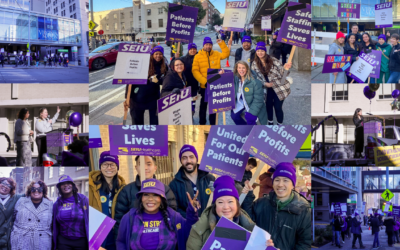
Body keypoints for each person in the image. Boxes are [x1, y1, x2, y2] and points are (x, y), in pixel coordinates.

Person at [187, 175, 277, 250]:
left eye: (230, 202)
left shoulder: (251, 231)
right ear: (215, 206)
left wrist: (265, 247)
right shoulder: (199, 230)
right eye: (220, 202)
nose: (226, 207)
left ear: (237, 204)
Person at [241, 162, 311, 249]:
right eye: (277, 180)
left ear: (293, 185)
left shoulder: (303, 210)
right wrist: (248, 195)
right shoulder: (262, 203)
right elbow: (248, 220)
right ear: (273, 183)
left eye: (285, 180)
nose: (280, 184)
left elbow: (304, 243)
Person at [116, 179, 199, 250]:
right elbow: (121, 242)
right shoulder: (129, 217)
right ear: (141, 198)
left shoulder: (173, 216)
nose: (150, 199)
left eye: (155, 195)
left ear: (161, 198)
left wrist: (192, 212)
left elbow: (190, 233)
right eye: (146, 195)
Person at [114, 154, 178, 239]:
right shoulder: (126, 191)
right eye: (141, 164)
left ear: (155, 167)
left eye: (148, 164)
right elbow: (119, 220)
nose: (145, 168)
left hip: (161, 239)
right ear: (136, 167)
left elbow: (172, 215)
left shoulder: (165, 189)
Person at [89, 152, 126, 250]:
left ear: (117, 167)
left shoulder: (123, 188)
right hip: (96, 238)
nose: (109, 168)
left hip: (115, 237)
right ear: (100, 167)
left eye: (112, 164)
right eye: (105, 164)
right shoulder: (91, 186)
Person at [123, 46, 168, 125]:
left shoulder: (164, 66)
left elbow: (166, 80)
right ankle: (139, 136)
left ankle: (153, 136)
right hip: (138, 97)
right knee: (137, 123)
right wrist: (128, 97)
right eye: (156, 53)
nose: (158, 56)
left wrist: (158, 81)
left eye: (160, 54)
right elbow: (130, 80)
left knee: (155, 123)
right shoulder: (142, 64)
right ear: (152, 54)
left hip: (153, 98)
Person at [192, 36, 230, 125]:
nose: (208, 46)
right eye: (206, 44)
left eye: (210, 44)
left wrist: (222, 43)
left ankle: (213, 123)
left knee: (214, 106)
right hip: (204, 85)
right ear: (203, 45)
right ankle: (202, 123)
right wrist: (204, 82)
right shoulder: (197, 56)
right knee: (203, 106)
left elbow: (226, 54)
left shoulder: (216, 54)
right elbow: (195, 71)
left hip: (215, 84)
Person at [251, 41, 292, 125]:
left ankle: (279, 124)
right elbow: (255, 78)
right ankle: (270, 123)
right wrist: (264, 84)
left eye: (262, 51)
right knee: (268, 106)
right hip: (266, 89)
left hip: (279, 87)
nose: (260, 53)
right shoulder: (254, 63)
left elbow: (283, 76)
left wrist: (285, 69)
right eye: (258, 51)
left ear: (265, 51)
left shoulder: (273, 60)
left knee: (277, 107)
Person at [169, 145, 215, 218]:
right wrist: (191, 216)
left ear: (196, 158)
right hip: (187, 226)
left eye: (191, 157)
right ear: (181, 161)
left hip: (209, 225)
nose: (188, 161)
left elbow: (218, 202)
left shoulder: (210, 179)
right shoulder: (174, 184)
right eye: (184, 158)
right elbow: (173, 208)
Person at [10, 181, 53, 250]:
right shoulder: (21, 201)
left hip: (42, 240)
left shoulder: (50, 204)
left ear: (43, 191)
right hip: (21, 239)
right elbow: (13, 216)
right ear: (30, 191)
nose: (36, 191)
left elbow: (53, 224)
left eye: (39, 189)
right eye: (33, 189)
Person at [53, 175, 89, 250]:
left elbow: (92, 218)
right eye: (63, 184)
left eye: (68, 183)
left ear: (73, 185)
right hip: (63, 241)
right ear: (59, 187)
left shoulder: (83, 199)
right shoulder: (57, 204)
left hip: (81, 241)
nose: (66, 185)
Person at [230, 61, 268, 125]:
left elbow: (258, 100)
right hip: (242, 102)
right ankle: (245, 128)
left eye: (243, 68)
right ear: (237, 69)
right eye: (239, 68)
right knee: (234, 116)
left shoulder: (255, 82)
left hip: (252, 104)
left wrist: (252, 113)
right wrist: (222, 74)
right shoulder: (236, 79)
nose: (241, 70)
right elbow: (223, 79)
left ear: (247, 69)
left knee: (252, 121)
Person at [0, 178, 23, 250]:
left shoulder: (15, 198)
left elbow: (31, 194)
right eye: (3, 183)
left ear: (11, 189)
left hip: (8, 240)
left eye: (9, 186)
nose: (5, 186)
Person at [180, 43, 200, 114]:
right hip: (185, 84)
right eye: (191, 49)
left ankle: (192, 113)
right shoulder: (183, 59)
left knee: (193, 101)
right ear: (188, 50)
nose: (192, 50)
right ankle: (186, 115)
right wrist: (175, 58)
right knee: (185, 102)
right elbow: (174, 64)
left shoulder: (199, 58)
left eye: (194, 49)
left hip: (195, 84)